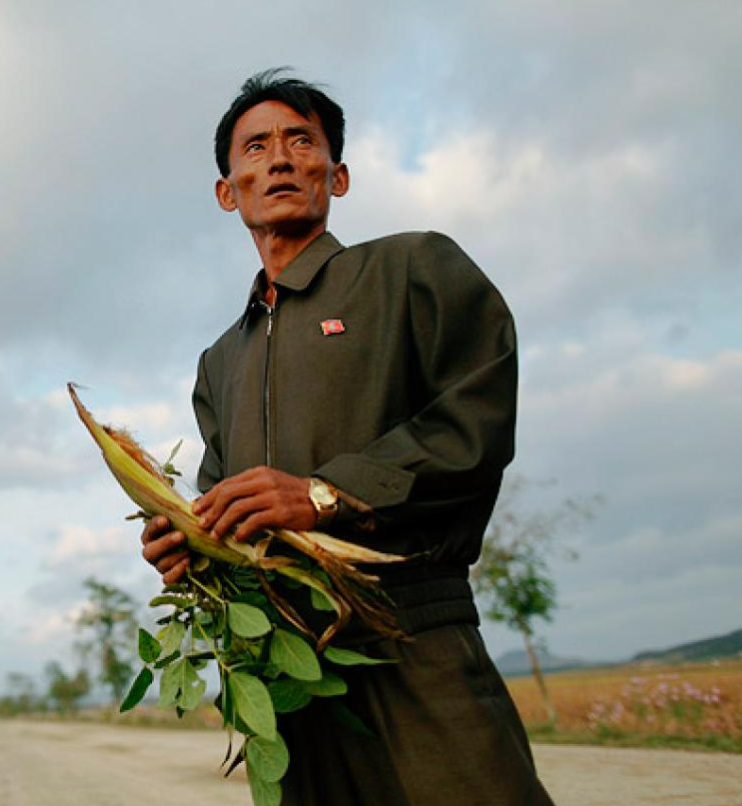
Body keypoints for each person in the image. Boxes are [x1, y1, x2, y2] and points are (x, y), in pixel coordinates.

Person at [140, 69, 555, 805]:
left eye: (301, 140)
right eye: (255, 146)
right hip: (288, 667)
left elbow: (476, 419)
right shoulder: (219, 361)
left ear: (336, 175)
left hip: (412, 634)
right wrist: (187, 544)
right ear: (226, 190)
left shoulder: (410, 269)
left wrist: (324, 494)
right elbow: (224, 503)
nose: (278, 157)